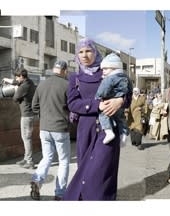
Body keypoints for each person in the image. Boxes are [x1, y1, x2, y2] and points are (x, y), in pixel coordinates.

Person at [64, 38, 129, 200]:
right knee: (85, 172)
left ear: (95, 52)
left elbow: (126, 91)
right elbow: (72, 103)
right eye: (80, 52)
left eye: (88, 51)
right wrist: (96, 105)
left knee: (101, 172)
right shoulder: (75, 77)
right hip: (86, 130)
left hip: (108, 131)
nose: (84, 55)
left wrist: (120, 101)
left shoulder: (108, 71)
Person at [29, 60, 72, 201]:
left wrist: (44, 117)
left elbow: (34, 106)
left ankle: (37, 180)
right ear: (64, 71)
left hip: (44, 128)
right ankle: (60, 193)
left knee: (47, 157)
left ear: (54, 69)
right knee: (64, 161)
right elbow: (72, 107)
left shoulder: (42, 84)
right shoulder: (67, 85)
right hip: (60, 128)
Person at [95, 53, 131, 145]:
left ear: (114, 68)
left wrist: (98, 97)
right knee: (121, 118)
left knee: (104, 115)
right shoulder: (126, 77)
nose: (103, 71)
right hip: (120, 105)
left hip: (108, 102)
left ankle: (108, 131)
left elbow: (103, 90)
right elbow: (130, 89)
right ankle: (124, 134)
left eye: (106, 69)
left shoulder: (109, 79)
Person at [11, 68, 37, 169]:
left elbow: (15, 99)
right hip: (29, 114)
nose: (16, 79)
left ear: (21, 77)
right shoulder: (30, 82)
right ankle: (26, 158)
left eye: (17, 77)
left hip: (27, 115)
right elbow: (15, 82)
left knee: (26, 138)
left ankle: (30, 162)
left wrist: (16, 89)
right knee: (26, 138)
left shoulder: (23, 86)